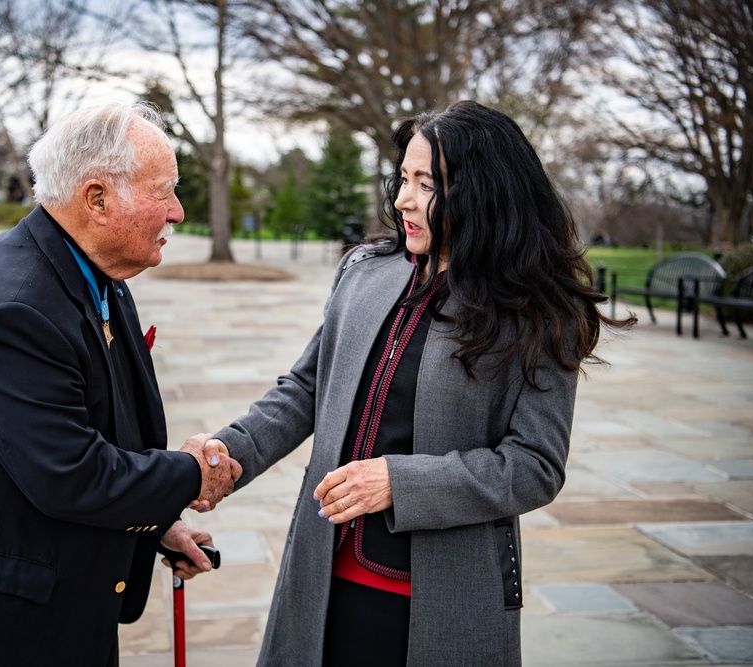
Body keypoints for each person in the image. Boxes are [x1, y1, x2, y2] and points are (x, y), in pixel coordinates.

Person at [202, 100, 634, 666]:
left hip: (441, 599)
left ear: (482, 191)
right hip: (323, 580)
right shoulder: (364, 272)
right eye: (404, 178)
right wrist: (228, 453)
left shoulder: (537, 312)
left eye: (427, 184)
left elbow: (535, 466)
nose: (403, 199)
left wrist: (399, 483)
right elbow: (307, 388)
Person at [0, 102, 241, 666]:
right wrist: (193, 473)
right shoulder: (16, 307)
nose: (176, 211)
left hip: (57, 610)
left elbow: (104, 427)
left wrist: (158, 526)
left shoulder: (92, 269)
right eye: (163, 192)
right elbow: (72, 475)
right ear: (96, 199)